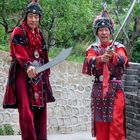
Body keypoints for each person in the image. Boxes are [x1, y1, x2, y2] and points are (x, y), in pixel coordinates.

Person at [3, 0, 55, 140]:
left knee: (41, 111)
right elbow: (19, 52)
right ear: (26, 16)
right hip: (22, 74)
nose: (33, 19)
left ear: (39, 18)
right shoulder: (18, 31)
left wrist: (46, 74)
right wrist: (28, 65)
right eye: (31, 16)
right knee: (26, 111)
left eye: (36, 16)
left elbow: (44, 55)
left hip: (39, 77)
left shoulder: (39, 35)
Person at [82, 3, 128, 140]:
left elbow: (123, 59)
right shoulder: (93, 48)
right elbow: (89, 60)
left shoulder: (118, 47)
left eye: (106, 29)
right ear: (97, 32)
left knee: (116, 125)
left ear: (110, 31)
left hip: (115, 90)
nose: (104, 33)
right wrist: (101, 58)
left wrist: (112, 56)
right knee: (101, 128)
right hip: (99, 91)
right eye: (101, 30)